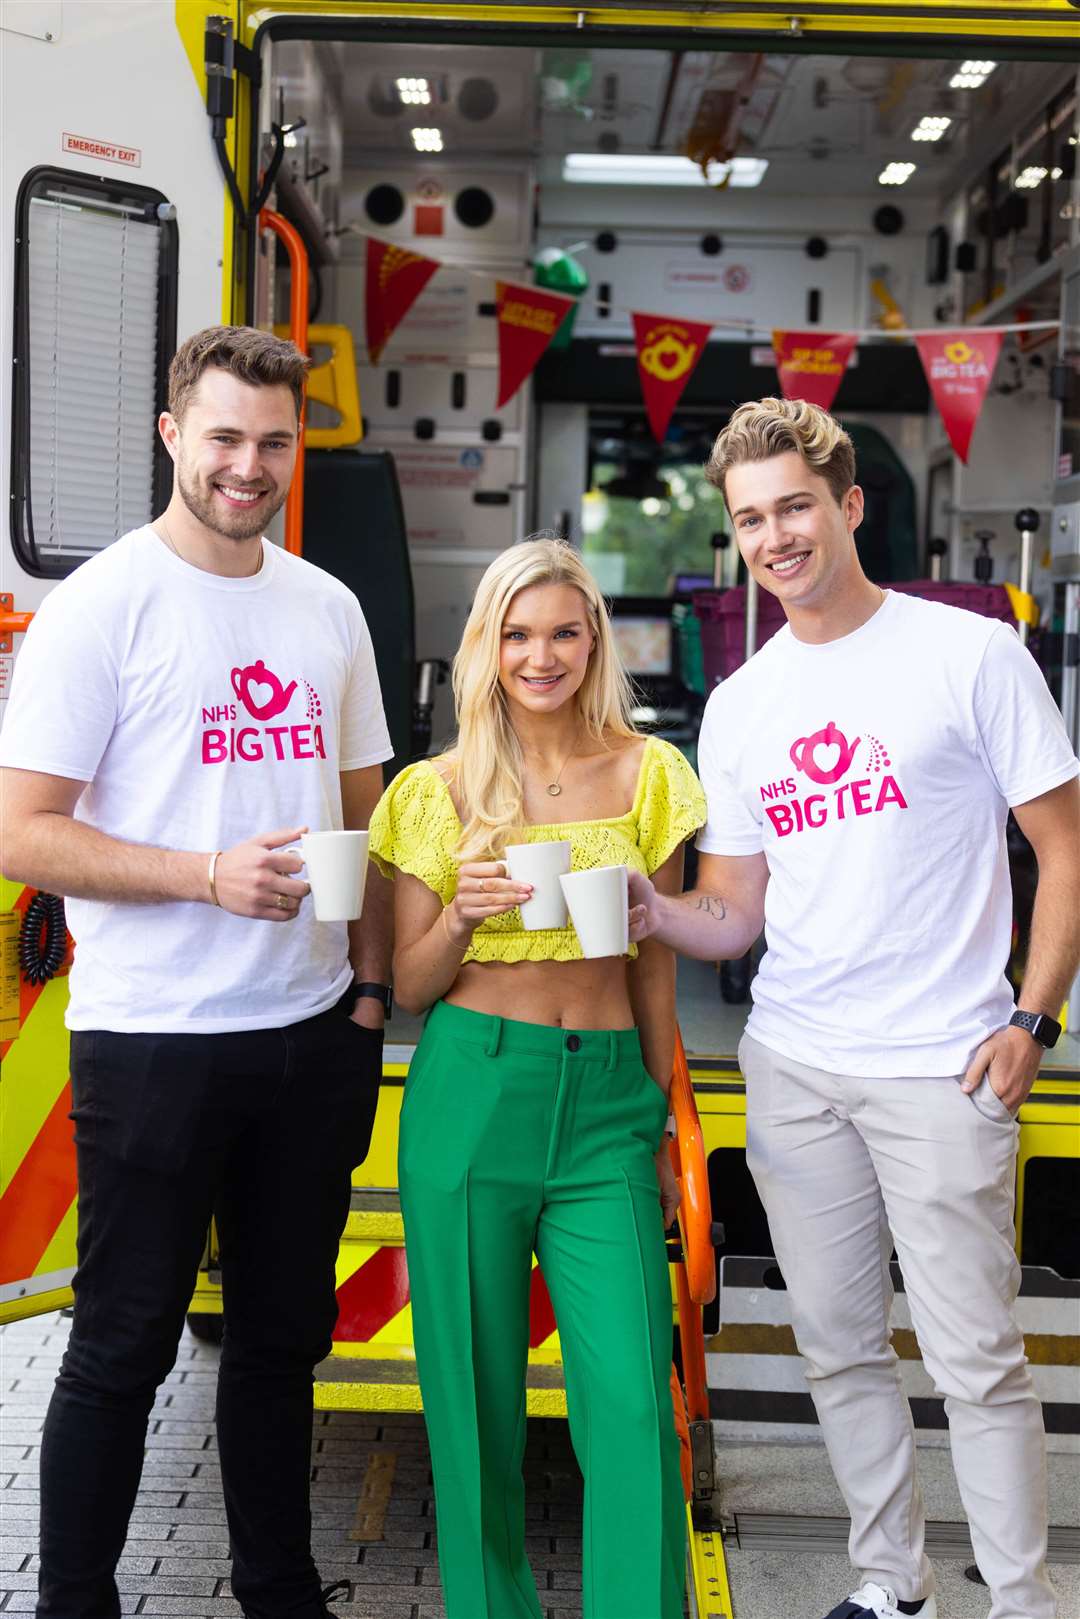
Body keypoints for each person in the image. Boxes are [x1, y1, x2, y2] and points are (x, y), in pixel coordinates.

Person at [628, 397, 1080, 1619]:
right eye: (752, 519)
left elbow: (1065, 843)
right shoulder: (744, 703)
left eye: (795, 507)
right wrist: (651, 910)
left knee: (976, 1358)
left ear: (850, 506)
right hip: (797, 1067)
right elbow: (736, 911)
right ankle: (892, 1585)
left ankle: (1023, 1599)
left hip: (947, 1064)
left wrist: (1033, 1022)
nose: (775, 537)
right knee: (836, 1348)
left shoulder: (969, 655)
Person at [0, 326, 395, 1619]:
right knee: (121, 1343)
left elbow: (365, 814)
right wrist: (201, 873)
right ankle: (73, 1600)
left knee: (284, 1343)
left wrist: (372, 996)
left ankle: (278, 1587)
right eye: (224, 436)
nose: (248, 464)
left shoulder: (326, 605)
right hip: (155, 1036)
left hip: (309, 1031)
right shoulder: (100, 605)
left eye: (274, 441)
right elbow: (21, 829)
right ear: (173, 433)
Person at [368, 538, 706, 1619]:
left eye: (564, 630)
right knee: (473, 1407)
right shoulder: (437, 788)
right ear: (487, 645)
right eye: (517, 632)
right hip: (472, 1089)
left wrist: (661, 1120)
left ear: (594, 639)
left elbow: (654, 964)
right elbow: (411, 983)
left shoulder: (653, 773)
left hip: (607, 1098)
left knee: (631, 1405)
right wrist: (461, 912)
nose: (541, 653)